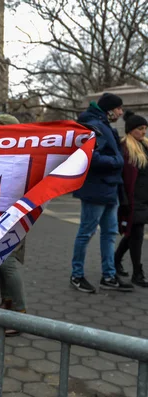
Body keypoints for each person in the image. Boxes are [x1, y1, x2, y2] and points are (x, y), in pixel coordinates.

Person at [71, 93, 134, 293]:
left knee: (109, 234)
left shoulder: (103, 125)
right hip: (96, 189)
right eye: (118, 109)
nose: (121, 112)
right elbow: (90, 155)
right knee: (86, 233)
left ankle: (108, 275)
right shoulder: (92, 125)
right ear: (108, 109)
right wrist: (116, 162)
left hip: (109, 188)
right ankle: (77, 275)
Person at [0, 113, 27, 335]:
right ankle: (7, 301)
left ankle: (19, 313)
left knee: (7, 261)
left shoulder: (18, 154)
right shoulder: (0, 150)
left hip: (13, 213)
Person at [115, 111, 148, 287]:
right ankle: (137, 273)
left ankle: (115, 260)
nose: (143, 132)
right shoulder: (125, 148)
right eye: (140, 129)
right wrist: (125, 200)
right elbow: (123, 177)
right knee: (136, 235)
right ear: (131, 130)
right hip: (133, 199)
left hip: (144, 199)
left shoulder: (145, 145)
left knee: (132, 235)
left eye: (145, 128)